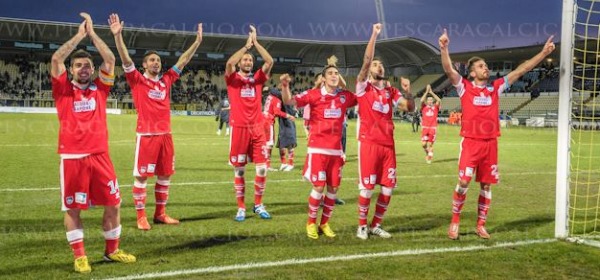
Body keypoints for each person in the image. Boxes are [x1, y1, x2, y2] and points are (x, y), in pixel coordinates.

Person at [439, 28, 555, 239]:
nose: (486, 68)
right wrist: (444, 48)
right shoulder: (464, 87)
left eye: (486, 65)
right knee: (463, 182)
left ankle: (481, 224)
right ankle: (455, 221)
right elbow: (448, 70)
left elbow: (521, 70)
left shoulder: (496, 88)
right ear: (472, 72)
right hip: (471, 143)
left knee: (486, 184)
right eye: (481, 66)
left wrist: (543, 53)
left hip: (490, 144)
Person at [51, 13, 135, 273]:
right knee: (73, 208)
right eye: (78, 66)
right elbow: (56, 59)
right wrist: (79, 35)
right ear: (72, 70)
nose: (84, 69)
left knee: (114, 203)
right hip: (73, 158)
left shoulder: (101, 88)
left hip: (100, 156)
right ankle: (80, 256)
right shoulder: (63, 89)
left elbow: (110, 59)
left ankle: (112, 251)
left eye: (87, 65)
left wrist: (95, 34)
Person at [109, 13, 203, 230]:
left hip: (166, 136)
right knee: (142, 176)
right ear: (144, 65)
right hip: (147, 136)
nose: (156, 63)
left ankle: (160, 213)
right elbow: (125, 59)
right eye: (152, 60)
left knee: (165, 175)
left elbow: (183, 60)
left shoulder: (167, 80)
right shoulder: (138, 80)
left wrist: (196, 42)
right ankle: (141, 216)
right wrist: (117, 37)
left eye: (158, 60)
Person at [281, 63, 357, 240]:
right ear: (323, 78)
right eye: (330, 73)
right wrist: (285, 86)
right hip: (318, 149)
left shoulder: (344, 96)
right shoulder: (313, 95)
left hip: (336, 151)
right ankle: (310, 223)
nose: (334, 75)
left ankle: (324, 223)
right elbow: (289, 101)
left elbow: (360, 96)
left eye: (337, 73)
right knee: (318, 186)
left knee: (334, 188)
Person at [354, 23, 415, 240]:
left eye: (381, 65)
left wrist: (409, 93)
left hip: (388, 145)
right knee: (368, 188)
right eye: (376, 65)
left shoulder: (391, 91)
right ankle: (361, 226)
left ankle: (375, 224)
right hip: (369, 143)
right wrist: (374, 34)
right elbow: (366, 60)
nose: (379, 67)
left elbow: (409, 108)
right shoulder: (363, 87)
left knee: (388, 188)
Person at [224, 25, 274, 221]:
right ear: (240, 63)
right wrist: (245, 47)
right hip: (239, 129)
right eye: (245, 59)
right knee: (240, 169)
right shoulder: (232, 79)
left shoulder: (258, 79)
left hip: (257, 129)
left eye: (250, 60)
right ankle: (241, 207)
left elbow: (269, 61)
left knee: (262, 168)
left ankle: (258, 204)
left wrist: (257, 44)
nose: (248, 61)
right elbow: (229, 63)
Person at [264, 86, 295, 171]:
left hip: (264, 118)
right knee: (270, 143)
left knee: (268, 142)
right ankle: (267, 165)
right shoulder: (277, 99)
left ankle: (269, 164)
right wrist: (288, 115)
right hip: (268, 120)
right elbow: (277, 111)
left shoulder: (270, 96)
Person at [272, 88, 298, 171]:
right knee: (281, 144)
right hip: (283, 123)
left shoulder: (287, 100)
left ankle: (291, 163)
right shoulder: (283, 99)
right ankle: (283, 163)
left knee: (290, 144)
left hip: (288, 123)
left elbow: (273, 91)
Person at [420, 84, 441, 164]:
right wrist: (426, 92)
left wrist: (431, 92)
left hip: (433, 128)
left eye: (431, 100)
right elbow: (421, 100)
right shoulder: (424, 107)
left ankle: (429, 158)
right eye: (428, 100)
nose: (430, 101)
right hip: (425, 128)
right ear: (427, 101)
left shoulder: (435, 107)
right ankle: (427, 152)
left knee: (430, 145)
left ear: (432, 101)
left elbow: (439, 100)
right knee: (423, 144)